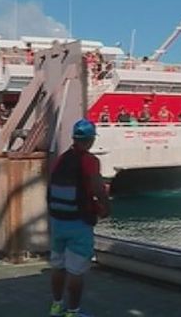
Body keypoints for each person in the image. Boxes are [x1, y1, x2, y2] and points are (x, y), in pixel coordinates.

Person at [48, 119, 111, 317]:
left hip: (58, 220)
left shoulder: (61, 159)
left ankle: (56, 306)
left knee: (58, 266)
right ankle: (73, 312)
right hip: (79, 221)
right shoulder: (89, 160)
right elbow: (98, 188)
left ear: (74, 137)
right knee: (75, 271)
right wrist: (105, 207)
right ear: (91, 139)